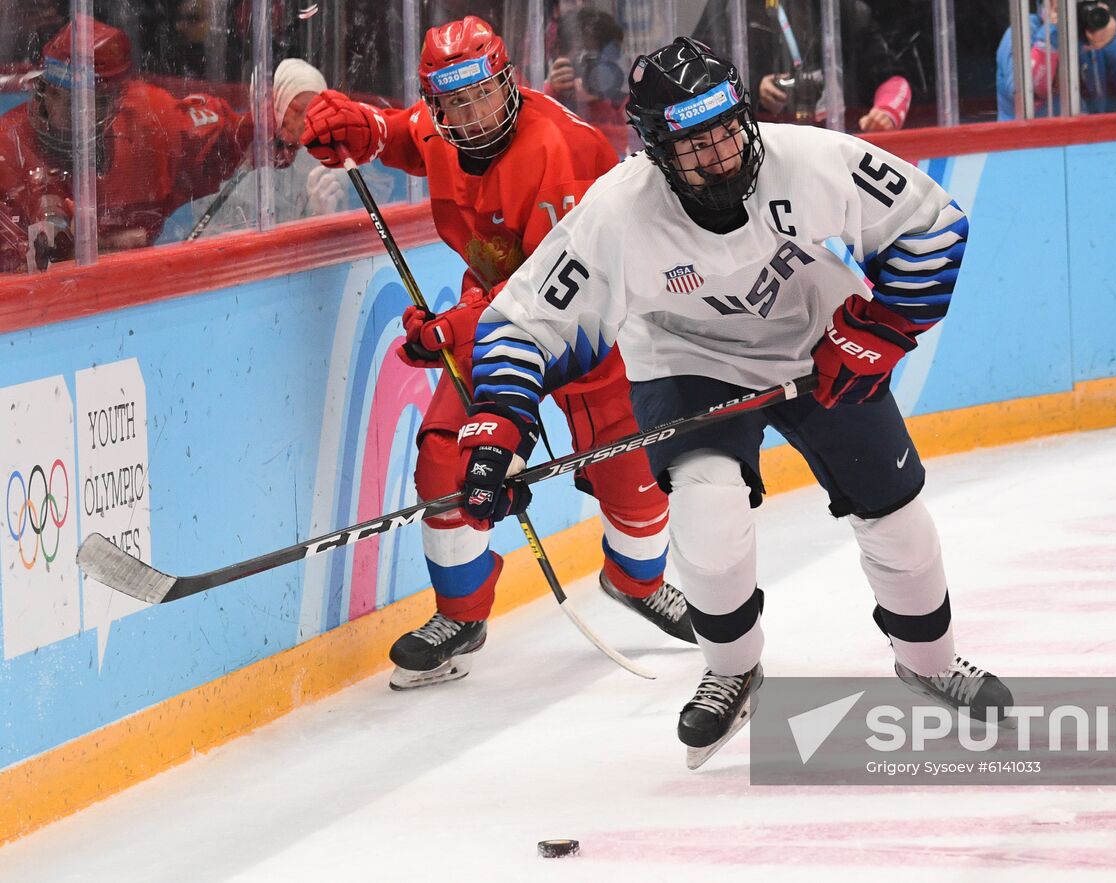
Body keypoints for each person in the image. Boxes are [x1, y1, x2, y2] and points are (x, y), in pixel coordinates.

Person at [457, 38, 1012, 768]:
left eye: (727, 129)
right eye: (695, 143)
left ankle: (930, 659)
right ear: (657, 152)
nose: (720, 153)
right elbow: (523, 323)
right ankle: (732, 668)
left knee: (897, 512)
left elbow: (931, 224)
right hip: (688, 362)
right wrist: (498, 431)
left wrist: (879, 331)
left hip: (819, 344)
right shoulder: (619, 213)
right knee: (707, 509)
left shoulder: (805, 159)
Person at [299, 15, 694, 690]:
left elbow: (553, 287)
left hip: (595, 322)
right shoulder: (441, 129)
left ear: (506, 81)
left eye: (481, 92)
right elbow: (398, 134)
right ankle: (461, 614)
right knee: (446, 456)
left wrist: (455, 327)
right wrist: (356, 126)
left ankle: (638, 579)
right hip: (497, 323)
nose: (472, 112)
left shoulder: (557, 148)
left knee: (633, 475)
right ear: (439, 104)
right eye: (453, 101)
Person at [0, 15, 251, 272]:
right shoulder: (7, 151)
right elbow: (19, 284)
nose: (56, 108)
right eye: (51, 90)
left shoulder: (152, 122)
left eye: (81, 102)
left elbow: (239, 136)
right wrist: (77, 255)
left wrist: (275, 117)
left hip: (135, 299)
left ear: (113, 101)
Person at [179, 59, 350, 238]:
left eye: (314, 113)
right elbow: (209, 239)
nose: (303, 123)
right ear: (274, 108)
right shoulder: (239, 158)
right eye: (297, 111)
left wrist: (319, 217)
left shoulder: (327, 163)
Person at [692, 0, 911, 133]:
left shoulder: (839, 8)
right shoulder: (731, 6)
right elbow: (698, 74)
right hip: (762, 145)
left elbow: (891, 76)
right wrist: (751, 87)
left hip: (836, 139)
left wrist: (886, 112)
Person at [996, 0, 1116, 120]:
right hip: (1025, 150)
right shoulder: (1021, 30)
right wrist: (1055, 31)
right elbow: (1027, 95)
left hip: (1087, 142)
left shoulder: (1091, 31)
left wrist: (1115, 34)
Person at [544, 7, 629, 154]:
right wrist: (553, 93)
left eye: (602, 60)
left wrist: (602, 99)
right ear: (560, 55)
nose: (594, 70)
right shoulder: (544, 100)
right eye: (585, 60)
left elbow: (620, 148)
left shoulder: (622, 103)